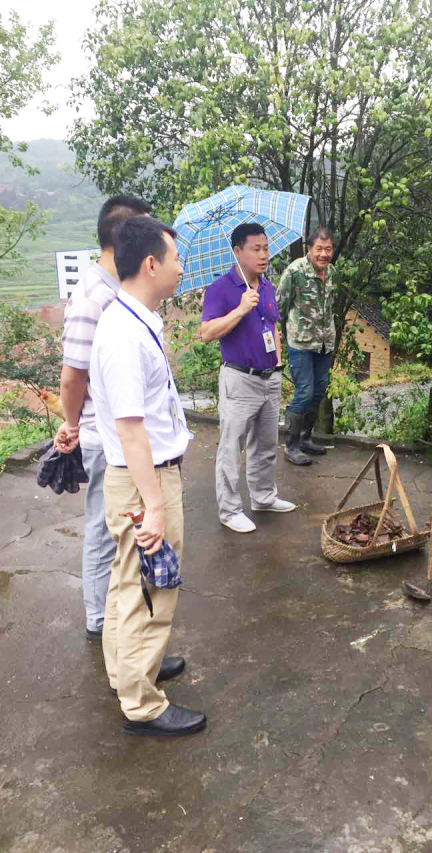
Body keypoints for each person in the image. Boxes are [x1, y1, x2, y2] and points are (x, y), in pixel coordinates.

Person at [90, 216, 206, 736]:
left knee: (128, 585)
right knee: (151, 592)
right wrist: (156, 506)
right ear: (152, 263)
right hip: (143, 480)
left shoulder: (135, 320)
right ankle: (142, 702)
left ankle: (130, 670)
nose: (182, 270)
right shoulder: (123, 335)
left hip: (141, 478)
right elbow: (132, 431)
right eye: (176, 260)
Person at [53, 195, 151, 640]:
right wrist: (71, 426)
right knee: (101, 527)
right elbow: (73, 376)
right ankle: (99, 621)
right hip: (100, 435)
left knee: (126, 534)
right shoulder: (93, 296)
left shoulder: (121, 291)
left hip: (123, 434)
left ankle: (123, 625)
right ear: (125, 237)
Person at [200, 223, 296, 534]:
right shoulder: (221, 289)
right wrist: (240, 310)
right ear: (237, 251)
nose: (264, 254)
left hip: (269, 378)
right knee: (232, 447)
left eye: (266, 248)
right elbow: (206, 333)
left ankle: (263, 497)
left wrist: (278, 364)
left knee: (266, 443)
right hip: (239, 379)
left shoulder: (266, 286)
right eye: (256, 249)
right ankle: (229, 511)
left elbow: (274, 327)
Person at [276, 226, 336, 465]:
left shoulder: (332, 273)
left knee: (319, 391)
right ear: (309, 249)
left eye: (328, 249)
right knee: (304, 392)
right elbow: (279, 305)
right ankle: (291, 445)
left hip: (324, 343)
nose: (323, 254)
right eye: (319, 249)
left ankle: (305, 438)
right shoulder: (295, 272)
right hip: (300, 342)